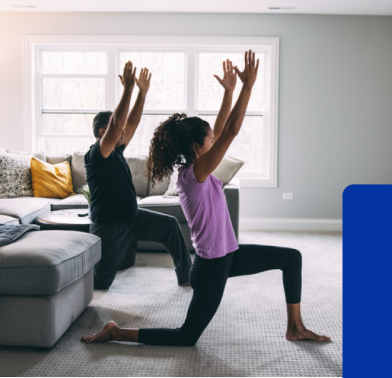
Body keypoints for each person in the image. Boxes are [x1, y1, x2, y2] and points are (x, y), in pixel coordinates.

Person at [82, 51, 330, 346]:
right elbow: (233, 130)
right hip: (211, 267)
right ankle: (116, 332)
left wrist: (229, 92)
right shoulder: (194, 174)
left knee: (291, 258)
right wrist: (248, 87)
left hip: (229, 255)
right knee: (186, 337)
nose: (216, 143)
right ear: (198, 148)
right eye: (211, 141)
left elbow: (224, 128)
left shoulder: (199, 169)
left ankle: (295, 327)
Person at [86, 61, 192, 289]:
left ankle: (187, 276)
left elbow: (130, 123)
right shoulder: (96, 154)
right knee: (101, 282)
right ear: (103, 133)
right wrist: (128, 88)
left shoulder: (116, 150)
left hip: (133, 218)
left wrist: (142, 92)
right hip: (110, 227)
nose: (124, 132)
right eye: (117, 130)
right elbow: (118, 124)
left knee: (170, 226)